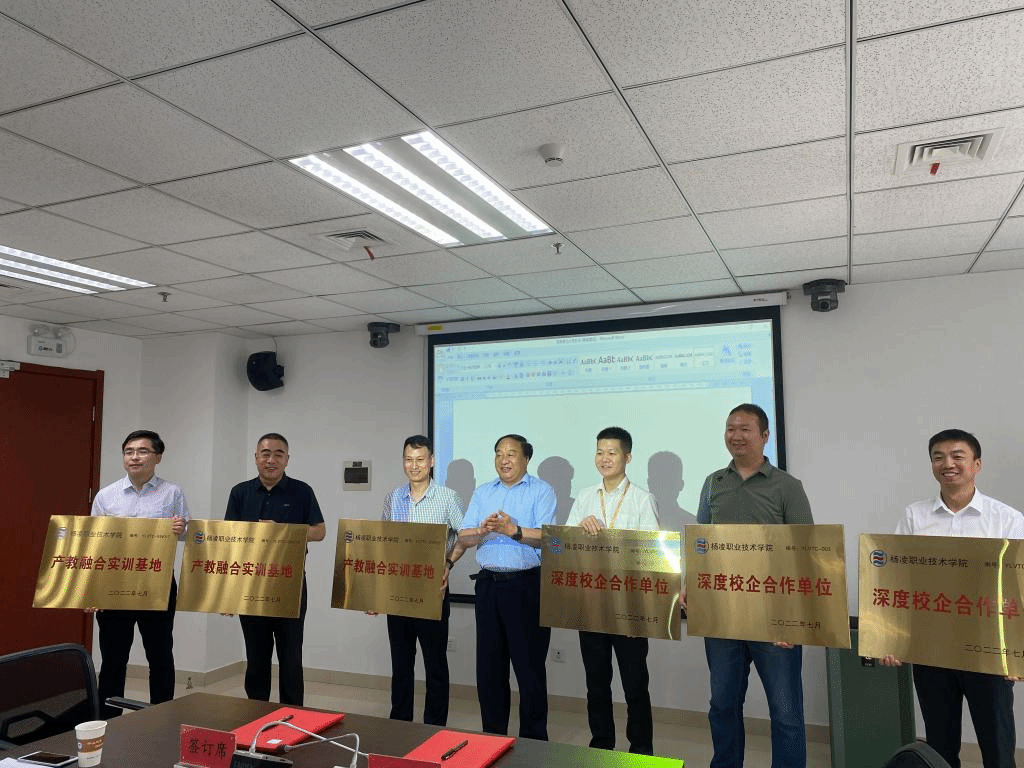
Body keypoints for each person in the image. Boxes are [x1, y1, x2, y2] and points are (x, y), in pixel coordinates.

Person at [881, 429, 1023, 768]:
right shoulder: (915, 516)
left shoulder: (1007, 519)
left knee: (997, 744)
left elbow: (1019, 588)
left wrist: (1018, 652)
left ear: (977, 464)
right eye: (938, 457)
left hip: (989, 650)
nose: (948, 464)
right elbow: (895, 579)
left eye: (958, 456)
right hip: (931, 648)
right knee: (939, 745)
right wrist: (890, 638)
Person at [688, 403, 813, 768]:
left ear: (764, 436)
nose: (736, 436)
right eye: (731, 428)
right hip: (723, 615)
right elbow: (700, 543)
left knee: (786, 713)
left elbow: (806, 552)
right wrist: (690, 582)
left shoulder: (787, 486)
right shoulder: (713, 482)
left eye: (745, 429)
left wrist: (795, 619)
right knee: (722, 705)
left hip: (775, 617)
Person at [565, 426, 659, 754]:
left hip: (629, 608)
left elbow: (652, 558)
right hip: (592, 605)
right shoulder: (585, 497)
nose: (604, 458)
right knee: (596, 685)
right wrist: (579, 528)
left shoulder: (642, 499)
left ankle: (641, 753)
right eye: (599, 452)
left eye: (612, 452)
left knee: (635, 687)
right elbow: (566, 544)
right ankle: (601, 747)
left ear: (627, 457)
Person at [458, 434, 556, 740]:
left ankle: (534, 742)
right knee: (489, 670)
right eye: (499, 453)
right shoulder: (483, 492)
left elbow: (549, 538)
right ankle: (492, 737)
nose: (504, 459)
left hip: (526, 586)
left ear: (526, 458)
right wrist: (482, 530)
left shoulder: (541, 491)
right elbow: (463, 536)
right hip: (488, 586)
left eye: (511, 454)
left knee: (529, 670)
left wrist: (513, 530)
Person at [89, 429, 189, 718]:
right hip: (114, 586)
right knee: (113, 658)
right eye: (129, 451)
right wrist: (93, 590)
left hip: (156, 584)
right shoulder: (106, 495)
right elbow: (94, 544)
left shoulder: (172, 493)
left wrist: (181, 527)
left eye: (142, 451)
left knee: (160, 654)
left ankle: (161, 716)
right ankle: (108, 721)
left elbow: (186, 533)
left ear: (158, 457)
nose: (134, 457)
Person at [225, 433, 326, 705]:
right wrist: (227, 594)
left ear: (287, 459)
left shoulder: (302, 491)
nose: (271, 460)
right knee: (256, 657)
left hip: (290, 584)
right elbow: (228, 540)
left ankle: (292, 715)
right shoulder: (240, 492)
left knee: (291, 657)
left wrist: (281, 531)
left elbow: (319, 532)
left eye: (278, 454)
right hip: (249, 584)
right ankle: (255, 713)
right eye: (266, 454)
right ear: (256, 458)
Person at [376, 435, 466, 725]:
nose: (414, 466)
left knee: (435, 664)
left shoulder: (448, 498)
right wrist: (376, 592)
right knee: (401, 664)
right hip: (398, 593)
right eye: (408, 459)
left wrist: (448, 563)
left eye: (420, 459)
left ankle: (434, 726)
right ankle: (400, 723)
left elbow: (464, 537)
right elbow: (384, 544)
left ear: (432, 461)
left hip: (432, 591)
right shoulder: (393, 498)